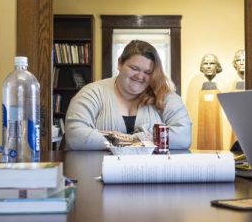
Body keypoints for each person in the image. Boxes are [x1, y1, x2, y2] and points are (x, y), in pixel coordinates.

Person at [64, 40, 192, 150]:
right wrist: (147, 140)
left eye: (148, 72)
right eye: (134, 68)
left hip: (152, 173)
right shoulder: (92, 93)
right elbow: (74, 136)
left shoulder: (165, 95)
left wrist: (128, 139)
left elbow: (183, 137)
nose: (140, 76)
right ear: (120, 63)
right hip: (99, 171)